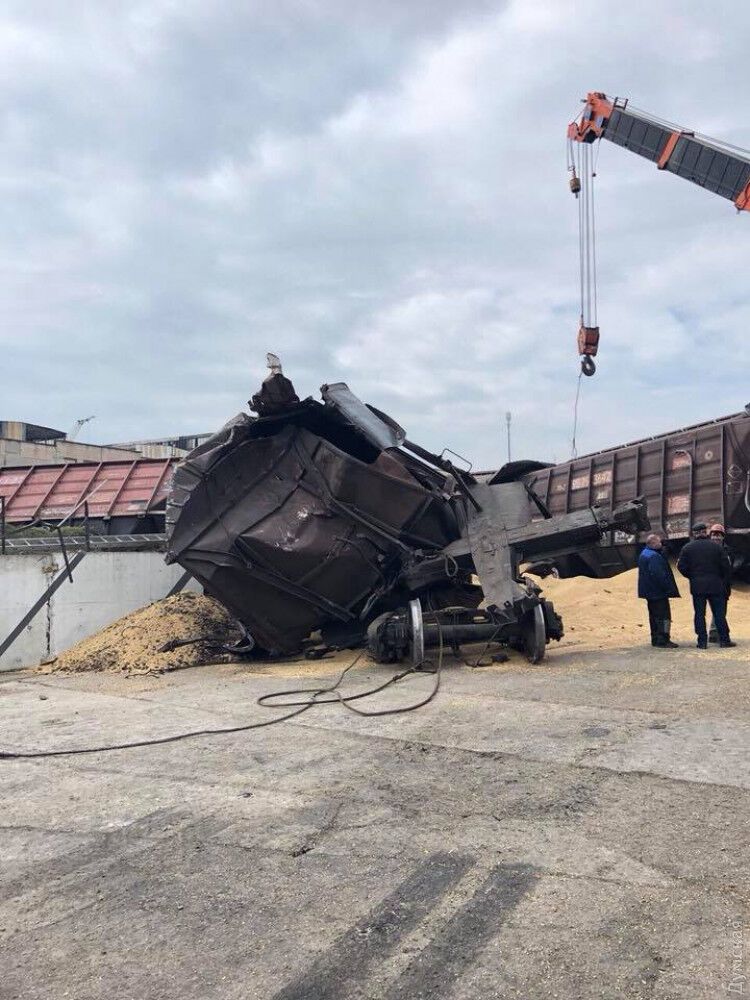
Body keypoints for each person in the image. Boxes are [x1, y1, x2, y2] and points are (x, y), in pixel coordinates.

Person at [677, 521, 735, 649]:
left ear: (694, 534)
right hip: (716, 586)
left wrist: (692, 576)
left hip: (697, 587)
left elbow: (681, 567)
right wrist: (721, 579)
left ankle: (702, 642)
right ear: (705, 532)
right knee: (719, 614)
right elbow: (726, 567)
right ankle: (724, 640)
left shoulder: (687, 548)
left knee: (699, 614)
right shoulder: (717, 547)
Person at [637, 533, 680, 648]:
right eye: (659, 542)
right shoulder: (654, 557)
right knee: (664, 616)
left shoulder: (644, 554)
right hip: (658, 592)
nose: (661, 544)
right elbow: (660, 575)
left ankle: (655, 638)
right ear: (653, 543)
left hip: (649, 592)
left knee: (653, 616)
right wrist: (668, 589)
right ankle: (664, 639)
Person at [708, 523, 732, 643]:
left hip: (724, 585)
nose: (716, 537)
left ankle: (714, 632)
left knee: (720, 610)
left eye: (719, 535)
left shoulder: (728, 550)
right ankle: (720, 634)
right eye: (714, 535)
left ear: (723, 537)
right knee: (719, 611)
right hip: (712, 585)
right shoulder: (705, 550)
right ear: (710, 536)